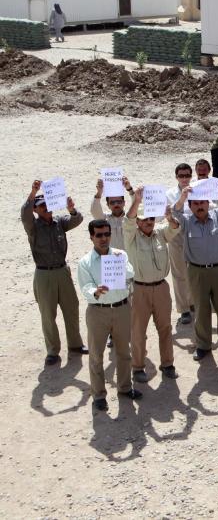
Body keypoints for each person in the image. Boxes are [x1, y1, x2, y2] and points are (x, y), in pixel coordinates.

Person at [170, 184, 218, 360]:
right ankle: (203, 345)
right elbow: (174, 213)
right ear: (190, 206)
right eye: (195, 203)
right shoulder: (186, 221)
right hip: (196, 272)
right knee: (201, 309)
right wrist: (182, 198)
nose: (199, 206)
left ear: (208, 203)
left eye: (203, 202)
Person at [22, 180, 86, 366]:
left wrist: (71, 209)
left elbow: (77, 219)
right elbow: (24, 214)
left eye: (48, 205)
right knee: (48, 314)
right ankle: (52, 350)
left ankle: (75, 344)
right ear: (35, 210)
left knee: (71, 308)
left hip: (62, 271)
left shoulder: (59, 222)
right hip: (44, 274)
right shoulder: (32, 227)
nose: (46, 209)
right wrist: (33, 192)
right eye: (41, 207)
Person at [78, 219, 139, 412]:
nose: (103, 238)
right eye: (99, 235)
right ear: (91, 237)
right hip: (98, 312)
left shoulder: (120, 255)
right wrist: (96, 291)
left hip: (121, 309)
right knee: (96, 355)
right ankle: (98, 395)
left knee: (124, 352)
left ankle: (125, 387)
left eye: (106, 234)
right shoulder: (85, 262)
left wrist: (121, 264)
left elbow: (131, 273)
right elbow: (85, 286)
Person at [125, 189, 180, 382]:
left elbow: (174, 228)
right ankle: (138, 367)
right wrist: (136, 200)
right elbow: (128, 220)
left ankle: (168, 364)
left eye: (151, 219)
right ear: (138, 221)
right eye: (144, 219)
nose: (148, 222)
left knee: (165, 328)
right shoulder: (131, 236)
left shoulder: (159, 234)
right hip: (139, 289)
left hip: (161, 288)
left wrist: (169, 216)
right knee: (138, 331)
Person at [166, 163, 195, 325]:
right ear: (176, 177)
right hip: (176, 235)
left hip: (195, 235)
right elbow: (168, 212)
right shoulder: (170, 193)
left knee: (194, 271)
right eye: (181, 176)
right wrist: (181, 199)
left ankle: (192, 302)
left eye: (187, 175)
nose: (184, 179)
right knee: (179, 273)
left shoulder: (198, 189)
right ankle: (184, 309)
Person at [91, 175, 134, 250]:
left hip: (129, 258)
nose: (116, 204)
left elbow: (138, 206)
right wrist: (99, 192)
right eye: (112, 202)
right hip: (111, 259)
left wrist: (129, 189)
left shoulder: (130, 218)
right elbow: (94, 211)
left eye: (119, 201)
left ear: (124, 203)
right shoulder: (105, 220)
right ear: (108, 205)